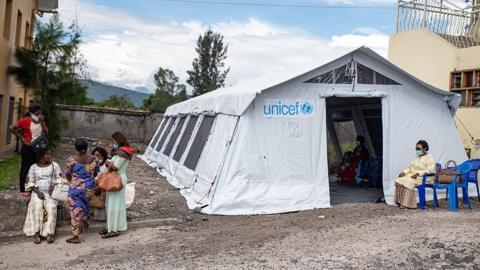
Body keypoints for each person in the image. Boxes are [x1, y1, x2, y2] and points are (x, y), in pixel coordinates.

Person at [23, 147, 63, 244]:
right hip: (37, 193)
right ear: (41, 156)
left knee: (51, 207)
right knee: (37, 207)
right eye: (47, 154)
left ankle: (49, 234)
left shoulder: (55, 165)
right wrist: (38, 192)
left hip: (50, 194)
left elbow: (60, 179)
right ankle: (37, 234)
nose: (50, 156)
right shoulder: (33, 167)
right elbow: (30, 181)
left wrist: (54, 187)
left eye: (50, 154)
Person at [9, 104, 48, 197]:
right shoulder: (25, 120)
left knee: (36, 169)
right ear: (32, 113)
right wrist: (22, 138)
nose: (39, 115)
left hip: (38, 149)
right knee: (25, 169)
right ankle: (22, 190)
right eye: (37, 113)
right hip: (28, 148)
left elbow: (46, 132)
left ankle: (33, 188)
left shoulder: (41, 121)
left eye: (41, 113)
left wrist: (42, 122)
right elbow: (11, 128)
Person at [100, 132, 134, 239]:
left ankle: (114, 229)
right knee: (111, 204)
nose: (113, 143)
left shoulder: (123, 152)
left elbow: (116, 167)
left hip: (117, 179)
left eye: (113, 140)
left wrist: (107, 162)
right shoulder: (121, 151)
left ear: (118, 140)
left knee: (114, 205)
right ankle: (111, 227)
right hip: (116, 178)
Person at [65, 138, 97, 244]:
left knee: (75, 212)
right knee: (85, 206)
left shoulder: (71, 160)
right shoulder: (94, 159)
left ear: (76, 148)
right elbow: (96, 173)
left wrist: (74, 181)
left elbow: (68, 174)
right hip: (89, 188)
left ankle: (76, 236)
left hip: (75, 189)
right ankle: (85, 220)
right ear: (87, 147)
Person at [394, 140, 436, 209]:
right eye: (416, 149)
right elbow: (410, 167)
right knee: (399, 180)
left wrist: (418, 173)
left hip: (424, 178)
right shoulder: (416, 157)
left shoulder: (430, 157)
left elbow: (430, 170)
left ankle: (408, 204)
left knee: (408, 182)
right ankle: (400, 202)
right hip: (413, 176)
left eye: (419, 149)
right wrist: (404, 172)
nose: (417, 150)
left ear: (424, 149)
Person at [90, 147, 109, 221]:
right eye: (95, 155)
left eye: (99, 155)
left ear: (103, 155)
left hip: (104, 184)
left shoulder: (107, 162)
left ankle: (101, 217)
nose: (97, 157)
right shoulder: (93, 163)